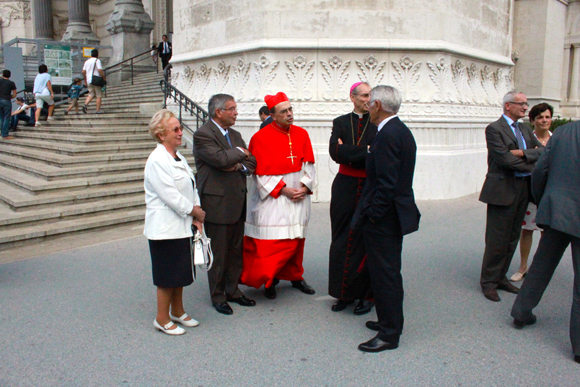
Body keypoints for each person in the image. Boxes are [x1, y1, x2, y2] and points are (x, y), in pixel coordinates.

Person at [351, 85, 420, 353]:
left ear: (378, 105)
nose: (367, 105)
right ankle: (387, 321)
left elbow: (386, 184)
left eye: (370, 101)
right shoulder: (395, 130)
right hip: (390, 214)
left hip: (385, 218)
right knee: (384, 273)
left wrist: (373, 216)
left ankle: (390, 334)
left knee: (386, 275)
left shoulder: (389, 134)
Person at [510, 120, 580, 365]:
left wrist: (543, 201)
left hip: (557, 210)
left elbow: (540, 170)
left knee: (541, 266)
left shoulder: (564, 131)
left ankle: (520, 313)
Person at [241, 91, 317, 299]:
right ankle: (270, 279)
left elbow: (308, 165)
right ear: (272, 115)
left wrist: (304, 186)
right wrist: (283, 190)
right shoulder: (260, 138)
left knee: (297, 237)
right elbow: (259, 174)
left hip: (299, 195)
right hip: (275, 198)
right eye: (284, 111)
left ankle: (295, 276)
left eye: (290, 109)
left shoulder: (302, 134)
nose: (290, 114)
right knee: (272, 242)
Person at [193, 94, 257, 315]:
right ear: (218, 112)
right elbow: (219, 160)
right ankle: (218, 295)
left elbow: (252, 161)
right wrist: (239, 153)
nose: (236, 113)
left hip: (237, 200)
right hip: (217, 203)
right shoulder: (203, 135)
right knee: (219, 253)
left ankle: (233, 290)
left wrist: (238, 164)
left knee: (235, 251)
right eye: (232, 109)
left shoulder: (236, 134)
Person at [144, 109, 206, 335]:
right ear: (161, 135)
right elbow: (170, 196)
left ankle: (177, 311)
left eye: (180, 128)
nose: (181, 132)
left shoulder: (177, 157)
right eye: (176, 129)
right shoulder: (157, 160)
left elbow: (191, 187)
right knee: (167, 276)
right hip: (165, 228)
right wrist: (195, 212)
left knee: (180, 272)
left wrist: (196, 212)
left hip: (182, 225)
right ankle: (161, 318)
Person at [479, 91, 543, 302]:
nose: (526, 108)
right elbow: (504, 160)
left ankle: (500, 277)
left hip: (523, 188)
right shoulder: (494, 129)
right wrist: (530, 164)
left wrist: (523, 153)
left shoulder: (525, 128)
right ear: (508, 106)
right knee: (497, 239)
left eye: (526, 104)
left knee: (512, 236)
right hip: (502, 190)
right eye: (522, 104)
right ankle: (488, 282)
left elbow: (543, 151)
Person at [328, 82, 377, 315]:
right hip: (344, 187)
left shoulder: (377, 122)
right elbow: (334, 153)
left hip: (369, 185)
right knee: (341, 238)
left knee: (366, 239)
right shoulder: (339, 122)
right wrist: (364, 151)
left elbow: (375, 153)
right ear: (353, 97)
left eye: (371, 95)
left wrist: (349, 151)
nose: (369, 99)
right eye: (365, 95)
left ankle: (366, 296)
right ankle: (342, 293)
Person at [510, 103, 553, 282]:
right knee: (527, 230)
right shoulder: (527, 139)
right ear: (533, 120)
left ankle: (539, 268)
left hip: (550, 193)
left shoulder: (557, 139)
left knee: (546, 233)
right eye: (540, 117)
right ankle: (523, 267)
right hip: (530, 191)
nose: (544, 120)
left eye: (547, 117)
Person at [82, 49, 105, 114]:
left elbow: (83, 71)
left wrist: (85, 79)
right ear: (97, 54)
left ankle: (85, 104)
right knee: (99, 95)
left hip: (89, 80)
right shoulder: (97, 60)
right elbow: (100, 70)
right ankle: (97, 110)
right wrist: (103, 77)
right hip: (96, 80)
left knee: (91, 94)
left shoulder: (87, 61)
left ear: (91, 54)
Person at [0, 69, 17, 139]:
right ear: (10, 75)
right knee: (7, 118)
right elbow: (14, 94)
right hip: (6, 100)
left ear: (3, 75)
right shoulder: (11, 83)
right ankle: (5, 134)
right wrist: (10, 97)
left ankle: (2, 133)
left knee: (1, 118)